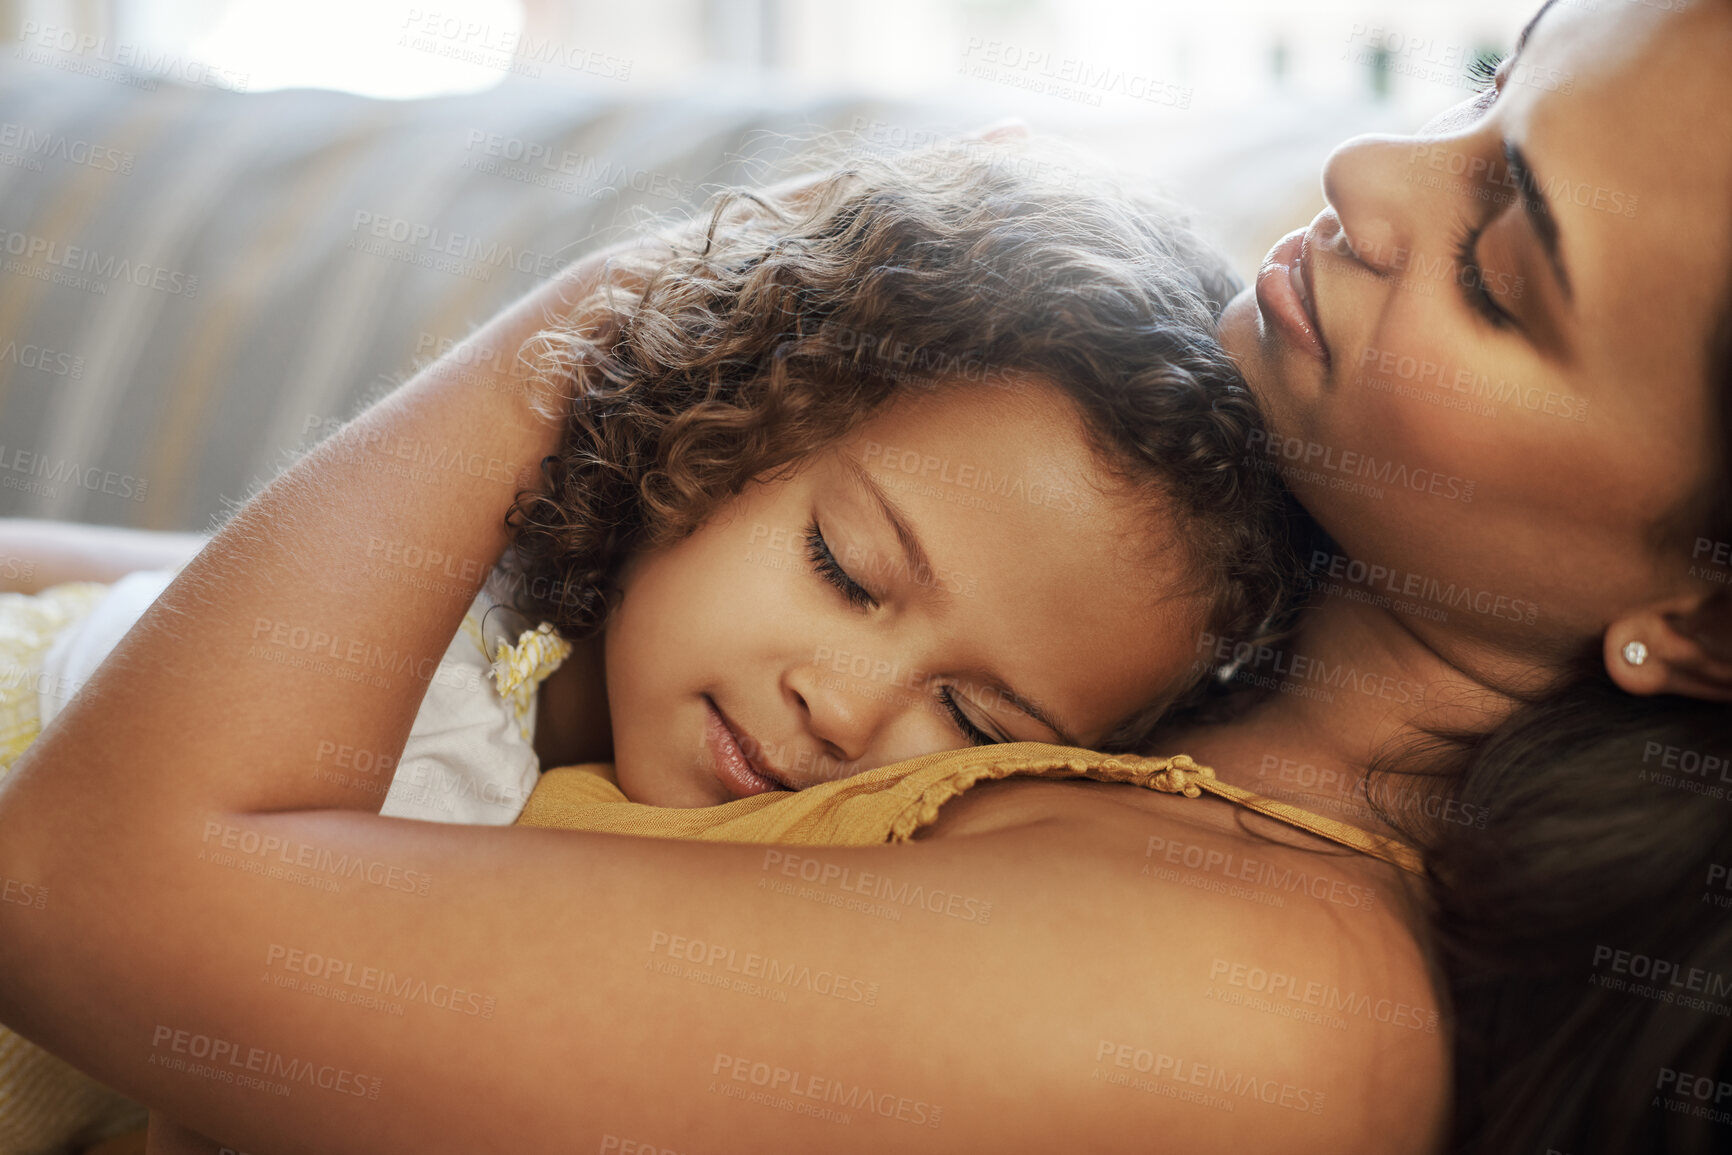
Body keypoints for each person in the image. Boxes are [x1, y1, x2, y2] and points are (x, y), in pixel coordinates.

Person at [0, 0, 1727, 1150]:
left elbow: (85, 898)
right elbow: (378, 634)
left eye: (1503, 274)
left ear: (1706, 618)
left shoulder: (1257, 1013)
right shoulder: (1197, 624)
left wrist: (642, 314)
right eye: (1482, 87)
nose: (1365, 175)